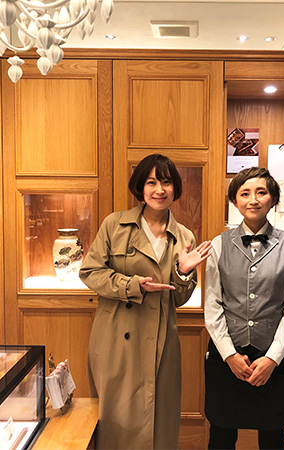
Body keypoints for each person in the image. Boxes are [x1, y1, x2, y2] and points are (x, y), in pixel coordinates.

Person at [80, 153, 212, 449]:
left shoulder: (184, 236)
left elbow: (179, 298)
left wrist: (183, 272)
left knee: (159, 419)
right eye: (151, 182)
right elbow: (90, 272)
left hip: (161, 341)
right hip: (117, 338)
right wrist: (131, 285)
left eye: (166, 182)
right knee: (116, 421)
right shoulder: (115, 224)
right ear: (140, 187)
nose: (159, 190)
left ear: (175, 188)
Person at [204, 167, 284, 449]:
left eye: (261, 192)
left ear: (273, 199)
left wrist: (272, 358)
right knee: (221, 435)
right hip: (228, 354)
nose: (253, 199)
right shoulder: (218, 245)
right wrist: (229, 355)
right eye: (245, 193)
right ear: (234, 201)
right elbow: (212, 305)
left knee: (274, 436)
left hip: (272, 355)